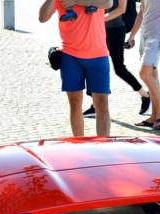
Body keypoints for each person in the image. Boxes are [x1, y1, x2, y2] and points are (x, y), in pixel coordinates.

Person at [41, 0, 115, 136]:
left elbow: (108, 3)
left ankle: (104, 148)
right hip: (70, 55)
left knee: (102, 105)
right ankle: (79, 145)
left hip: (98, 55)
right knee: (75, 104)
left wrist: (76, 1)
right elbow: (43, 18)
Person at [83, 0, 152, 119]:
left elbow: (121, 9)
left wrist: (99, 19)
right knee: (96, 64)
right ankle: (95, 105)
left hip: (115, 30)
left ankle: (145, 95)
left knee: (119, 69)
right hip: (100, 29)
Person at [127, 0, 160, 130]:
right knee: (152, 74)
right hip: (145, 35)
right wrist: (132, 35)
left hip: (157, 35)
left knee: (144, 73)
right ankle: (155, 116)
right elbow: (142, 12)